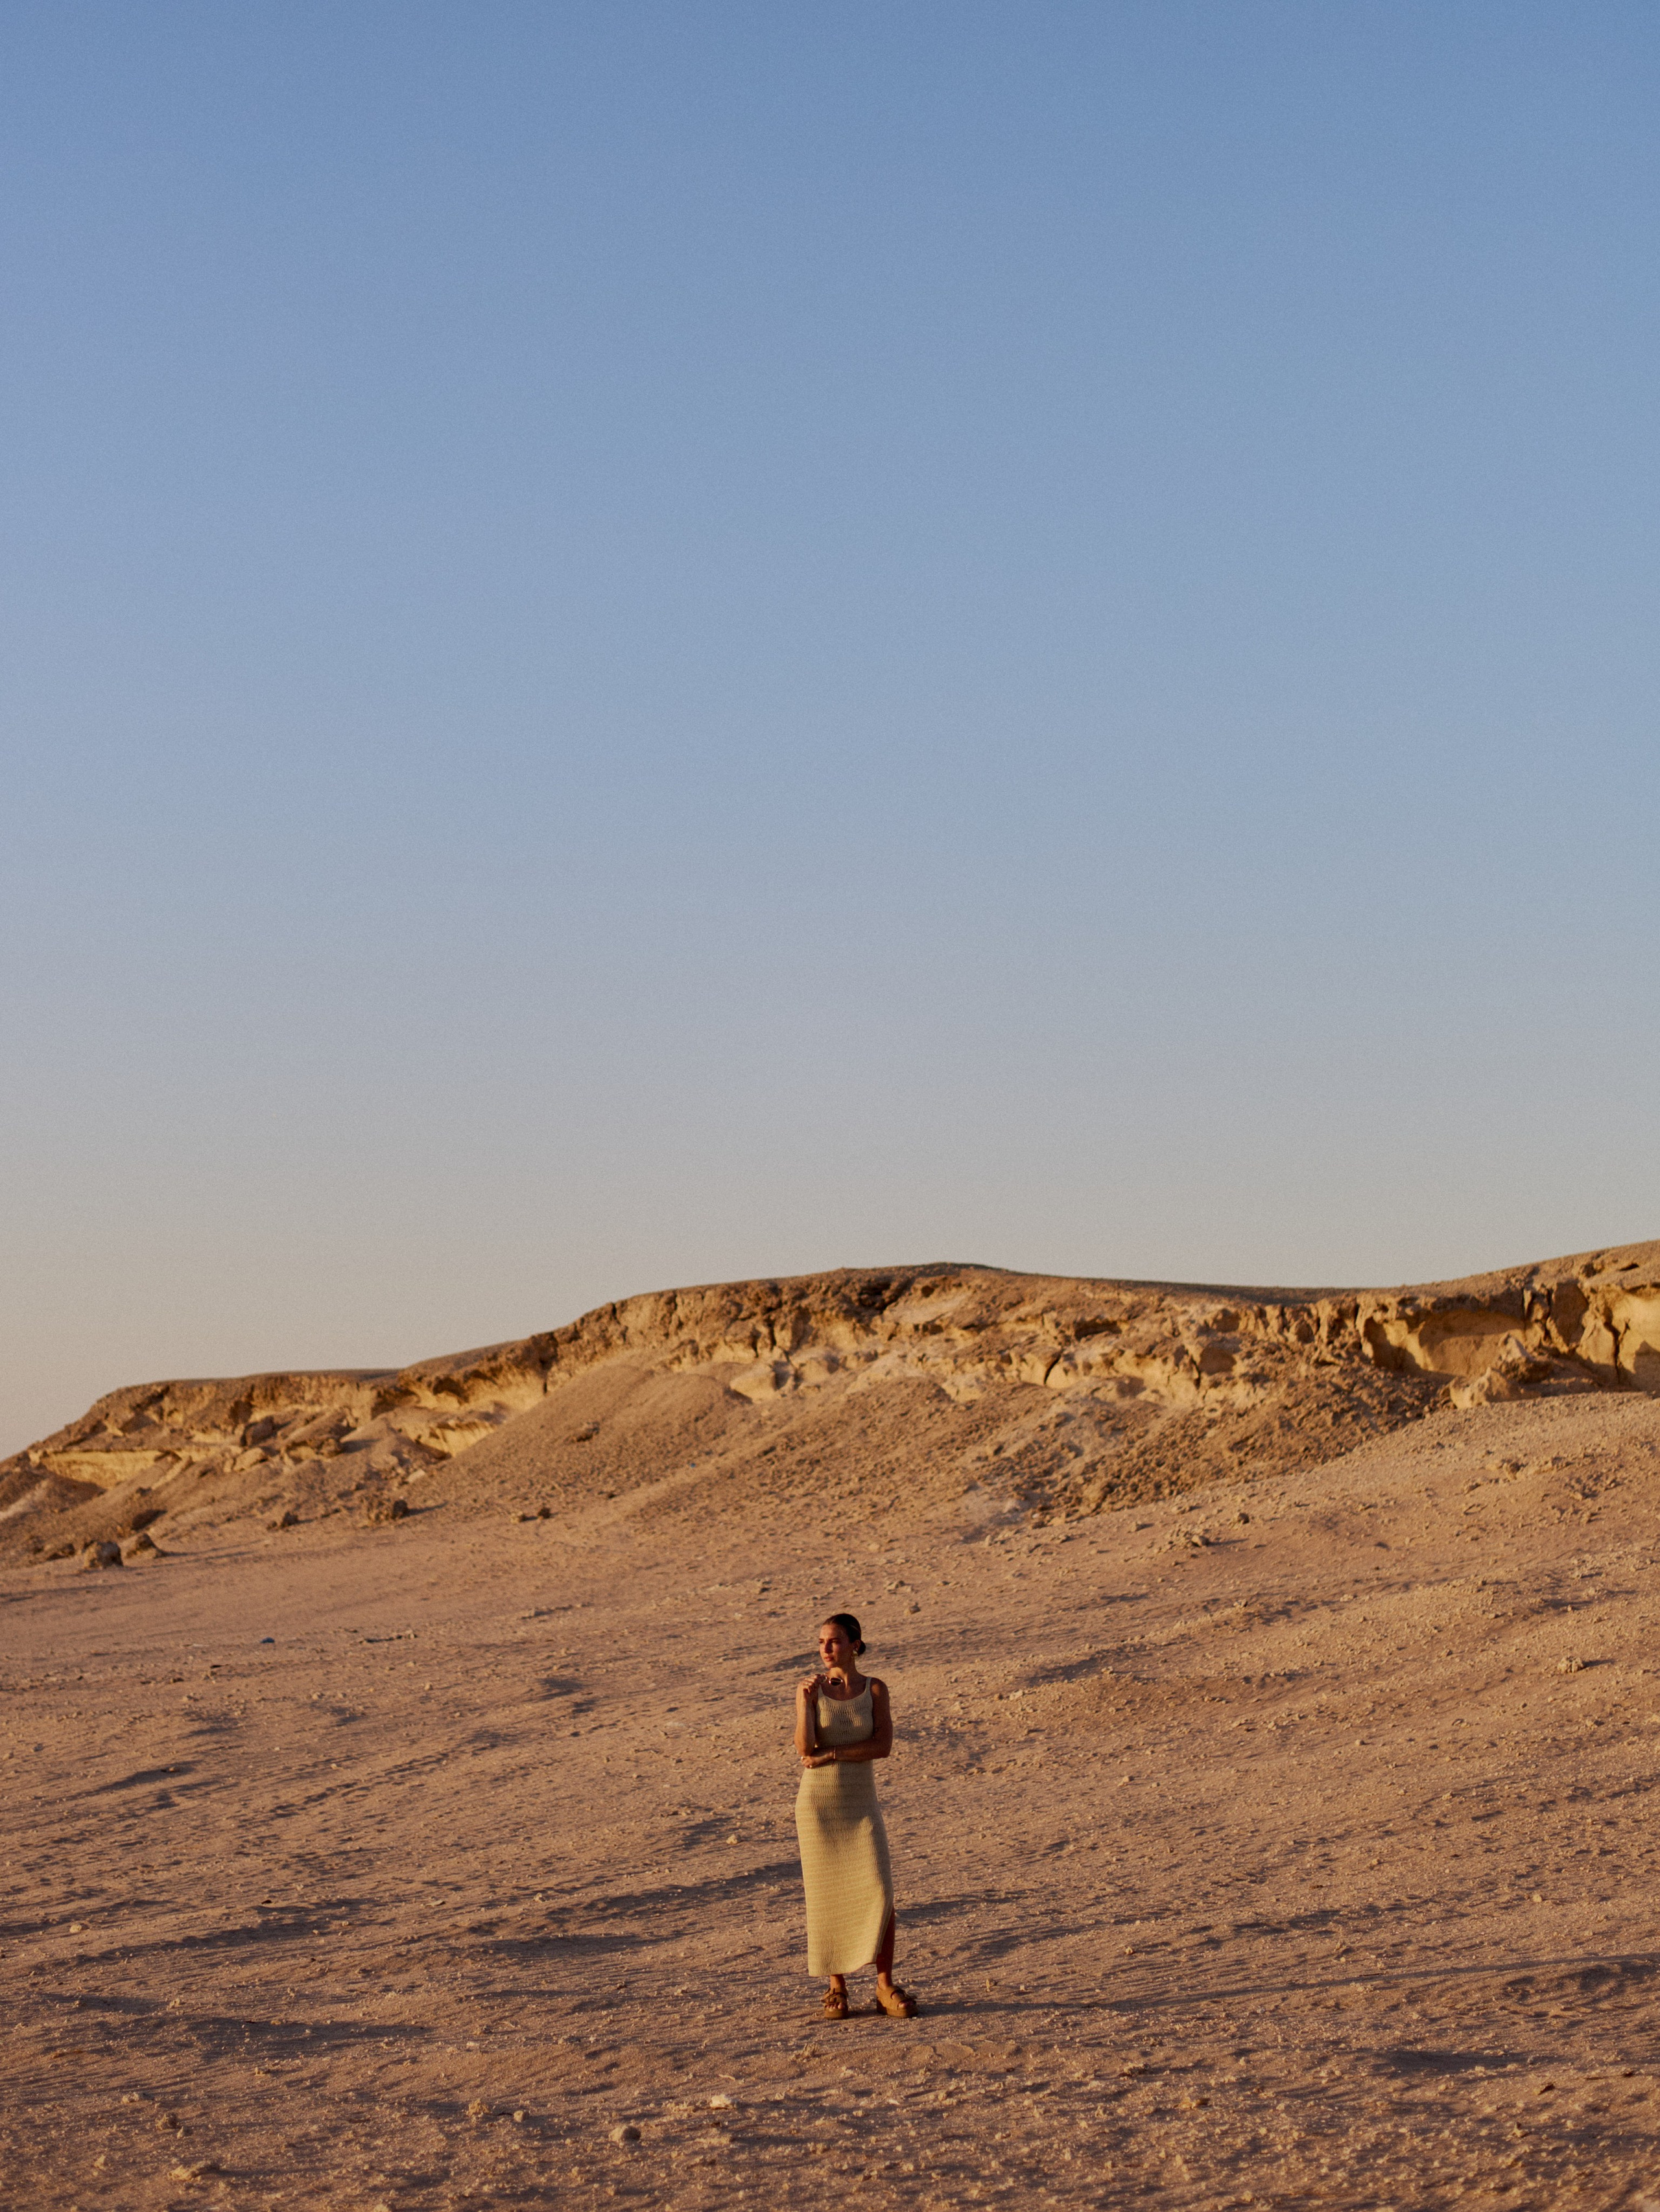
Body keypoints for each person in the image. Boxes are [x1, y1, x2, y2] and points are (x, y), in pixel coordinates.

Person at [794, 1611, 917, 2019]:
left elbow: (882, 1746)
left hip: (861, 1805)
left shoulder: (874, 1689)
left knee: (880, 1893)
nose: (826, 1650)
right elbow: (804, 1750)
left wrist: (834, 1754)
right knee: (826, 1896)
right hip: (819, 1807)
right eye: (821, 1643)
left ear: (855, 1645)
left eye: (834, 1642)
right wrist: (805, 1704)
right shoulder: (810, 1690)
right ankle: (836, 1987)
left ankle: (884, 1986)